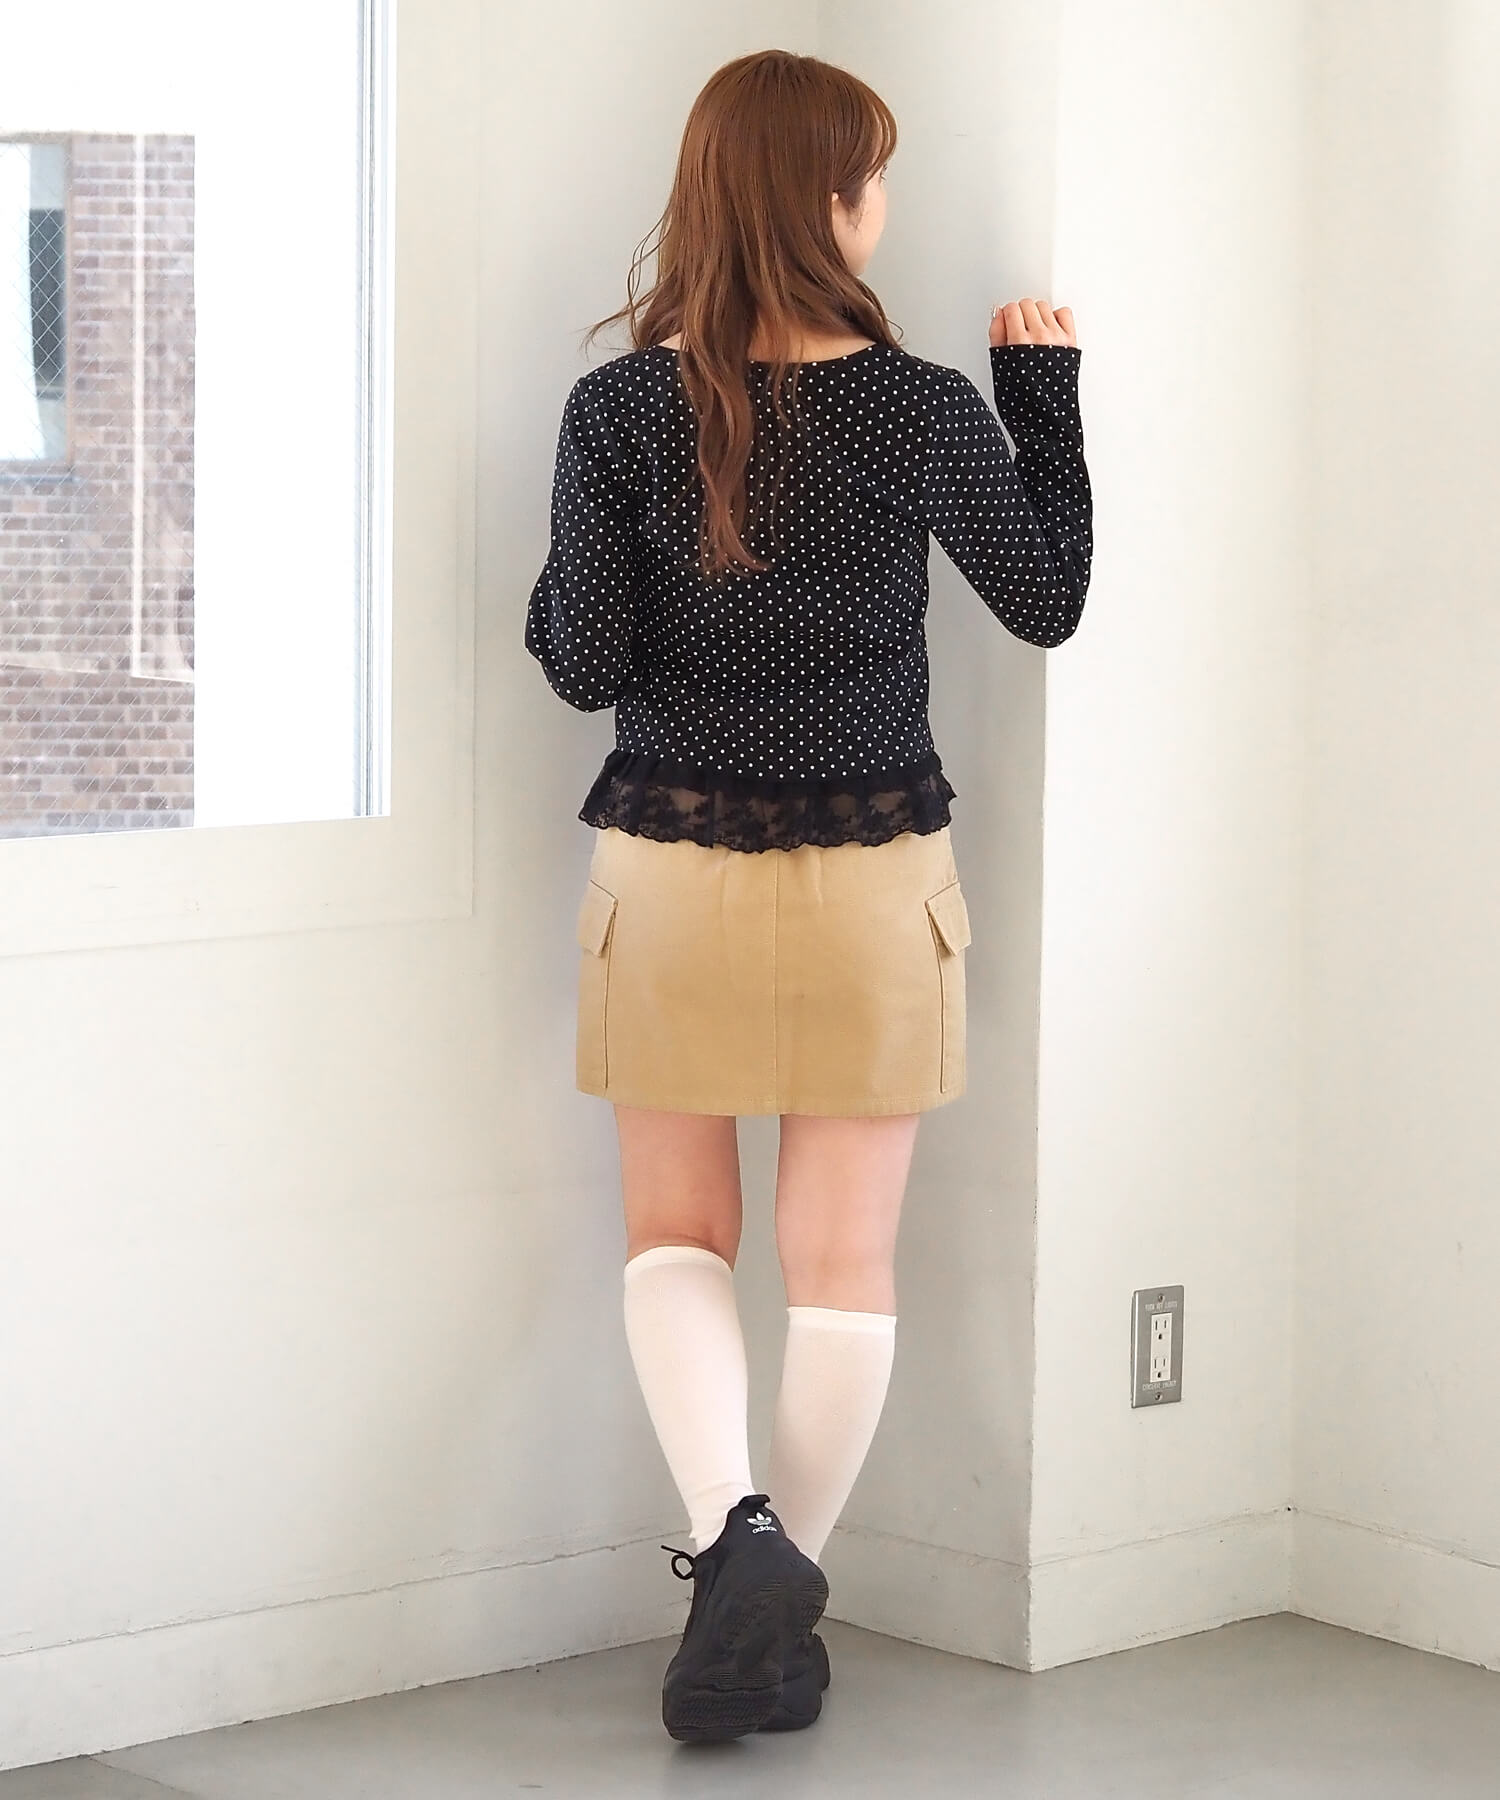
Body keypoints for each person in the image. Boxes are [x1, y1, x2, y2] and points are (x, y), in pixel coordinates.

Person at [525, 47, 1091, 1745]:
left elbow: (582, 661)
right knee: (843, 1262)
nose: (884, 203)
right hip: (873, 871)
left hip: (670, 868)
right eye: (874, 176)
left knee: (677, 1236)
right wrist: (1044, 399)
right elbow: (1046, 599)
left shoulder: (621, 412)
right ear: (829, 202)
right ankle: (779, 1611)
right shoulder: (920, 406)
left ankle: (736, 1547)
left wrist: (567, 580)